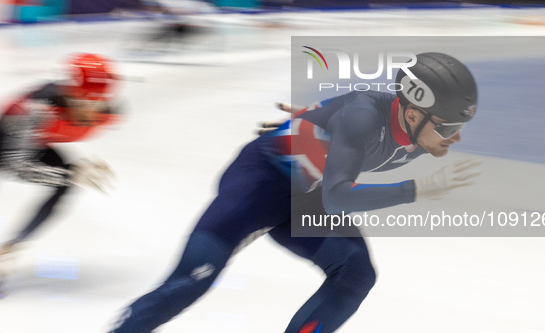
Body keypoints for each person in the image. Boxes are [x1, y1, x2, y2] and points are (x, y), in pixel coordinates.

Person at [108, 52, 482, 333]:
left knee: (355, 274)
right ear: (414, 114)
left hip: (309, 195)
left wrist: (305, 119)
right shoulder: (366, 118)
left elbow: (342, 117)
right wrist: (418, 189)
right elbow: (340, 192)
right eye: (449, 126)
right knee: (192, 279)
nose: (457, 136)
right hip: (261, 184)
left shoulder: (415, 130)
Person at [0, 53, 119, 258]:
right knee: (65, 177)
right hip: (8, 138)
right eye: (82, 102)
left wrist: (70, 175)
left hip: (35, 140)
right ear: (67, 94)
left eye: (98, 103)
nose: (90, 112)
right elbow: (13, 164)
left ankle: (9, 249)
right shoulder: (35, 110)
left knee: (63, 184)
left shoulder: (110, 113)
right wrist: (71, 174)